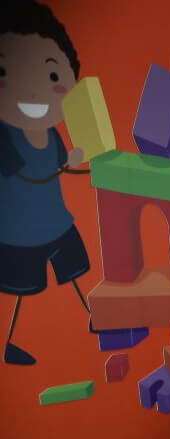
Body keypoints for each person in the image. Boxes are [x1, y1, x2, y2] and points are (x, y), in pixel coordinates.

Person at [1, 0, 91, 365]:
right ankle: (12, 342)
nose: (36, 91)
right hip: (20, 236)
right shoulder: (6, 138)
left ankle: (93, 319)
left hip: (58, 223)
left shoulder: (52, 135)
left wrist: (72, 161)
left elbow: (57, 167)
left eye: (53, 77)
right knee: (24, 293)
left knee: (75, 275)